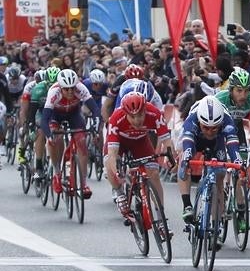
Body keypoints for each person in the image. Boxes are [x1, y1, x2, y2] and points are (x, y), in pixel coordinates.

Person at [104, 92, 173, 223]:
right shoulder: (116, 118)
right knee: (109, 163)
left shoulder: (154, 113)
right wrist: (116, 172)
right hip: (120, 142)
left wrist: (171, 158)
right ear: (125, 113)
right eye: (132, 117)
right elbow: (112, 153)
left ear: (145, 110)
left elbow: (167, 141)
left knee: (153, 174)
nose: (137, 120)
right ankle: (119, 194)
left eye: (140, 115)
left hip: (140, 141)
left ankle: (161, 218)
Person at [177, 96, 243, 227]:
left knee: (219, 177)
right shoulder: (192, 121)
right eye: (206, 127)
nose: (209, 131)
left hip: (217, 142)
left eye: (214, 128)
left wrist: (238, 162)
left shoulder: (227, 122)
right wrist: (187, 159)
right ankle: (187, 205)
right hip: (196, 139)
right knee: (183, 159)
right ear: (200, 122)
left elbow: (232, 146)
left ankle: (215, 224)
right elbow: (188, 145)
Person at [41, 69, 102, 199]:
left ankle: (84, 184)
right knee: (54, 140)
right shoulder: (54, 92)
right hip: (55, 115)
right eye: (66, 89)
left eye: (72, 88)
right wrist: (49, 136)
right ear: (61, 87)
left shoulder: (80, 88)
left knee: (82, 143)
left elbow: (95, 109)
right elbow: (44, 119)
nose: (70, 92)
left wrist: (96, 127)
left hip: (73, 113)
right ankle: (57, 173)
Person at [22, 67, 60, 177]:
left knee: (59, 133)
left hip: (55, 112)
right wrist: (31, 124)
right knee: (41, 132)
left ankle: (58, 163)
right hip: (40, 111)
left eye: (55, 84)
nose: (52, 87)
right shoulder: (38, 89)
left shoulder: (63, 89)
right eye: (49, 84)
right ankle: (38, 166)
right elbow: (32, 110)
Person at [214, 68, 250, 148]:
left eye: (246, 91)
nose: (243, 95)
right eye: (239, 90)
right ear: (231, 90)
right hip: (217, 127)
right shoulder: (220, 99)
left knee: (242, 156)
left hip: (237, 125)